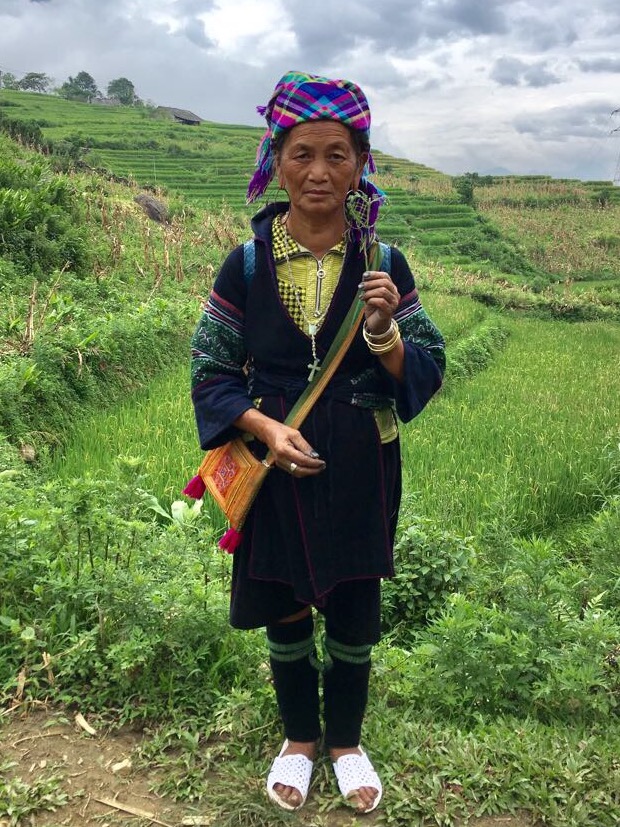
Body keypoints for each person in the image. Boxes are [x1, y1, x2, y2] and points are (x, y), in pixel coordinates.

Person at [190, 71, 445, 814]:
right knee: (284, 600)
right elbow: (210, 370)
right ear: (277, 162)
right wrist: (266, 428)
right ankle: (300, 739)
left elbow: (428, 367)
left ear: (361, 164)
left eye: (338, 155)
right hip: (275, 465)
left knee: (356, 598)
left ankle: (347, 742)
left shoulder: (384, 263)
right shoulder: (246, 264)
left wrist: (385, 333)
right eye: (302, 153)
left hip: (362, 464)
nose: (319, 172)